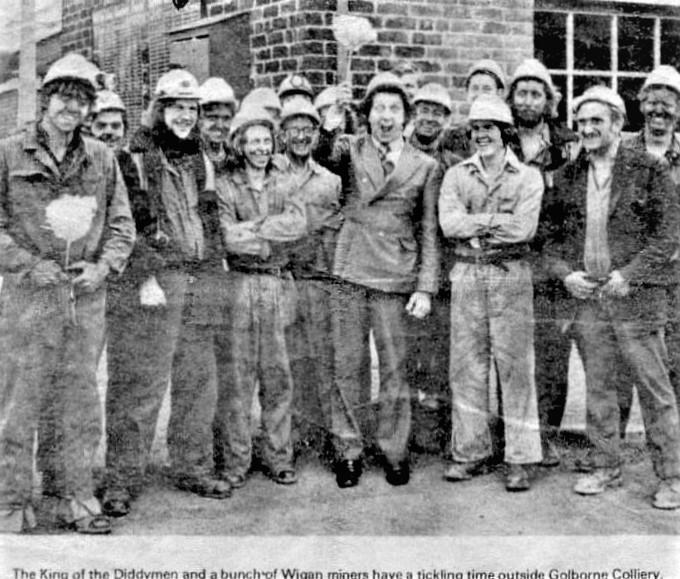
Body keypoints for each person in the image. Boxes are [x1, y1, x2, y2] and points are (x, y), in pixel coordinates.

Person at [0, 53, 135, 533]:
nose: (71, 107)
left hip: (83, 296)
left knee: (79, 400)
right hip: (28, 297)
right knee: (20, 400)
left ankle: (76, 497)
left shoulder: (102, 157)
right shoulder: (10, 153)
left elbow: (122, 225)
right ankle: (11, 502)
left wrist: (103, 267)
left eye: (81, 99)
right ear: (44, 101)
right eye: (63, 96)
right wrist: (28, 265)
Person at [541, 86, 680, 509]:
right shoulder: (566, 177)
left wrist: (630, 275)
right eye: (581, 122)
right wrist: (567, 277)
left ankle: (672, 477)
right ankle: (605, 465)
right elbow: (547, 243)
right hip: (590, 301)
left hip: (637, 300)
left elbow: (668, 235)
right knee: (600, 387)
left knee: (654, 389)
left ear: (618, 124)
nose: (587, 129)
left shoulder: (650, 169)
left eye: (596, 121)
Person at [103, 68, 231, 519]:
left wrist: (215, 274)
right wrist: (146, 277)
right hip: (158, 281)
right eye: (176, 107)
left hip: (199, 280)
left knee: (199, 380)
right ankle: (121, 479)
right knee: (142, 383)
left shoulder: (201, 158)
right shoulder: (134, 156)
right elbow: (126, 224)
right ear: (159, 109)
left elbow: (211, 223)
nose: (185, 116)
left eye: (191, 109)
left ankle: (192, 466)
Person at [319, 72, 440, 488]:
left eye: (394, 109)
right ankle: (348, 450)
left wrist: (425, 287)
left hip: (396, 275)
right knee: (347, 364)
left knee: (394, 368)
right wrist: (332, 122)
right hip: (352, 268)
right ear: (366, 115)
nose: (385, 117)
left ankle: (393, 450)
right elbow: (322, 156)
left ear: (405, 118)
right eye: (378, 109)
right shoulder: (350, 150)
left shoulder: (425, 165)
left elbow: (428, 229)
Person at [439, 94, 544, 491]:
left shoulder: (528, 176)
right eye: (476, 128)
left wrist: (475, 223)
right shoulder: (456, 176)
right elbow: (449, 224)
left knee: (515, 366)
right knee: (467, 366)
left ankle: (519, 458)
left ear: (505, 133)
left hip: (511, 274)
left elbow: (523, 230)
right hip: (467, 273)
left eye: (489, 128)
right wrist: (496, 221)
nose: (482, 135)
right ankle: (470, 452)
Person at [214, 105, 308, 488]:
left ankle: (279, 457)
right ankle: (236, 461)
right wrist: (268, 232)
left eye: (266, 141)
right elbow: (225, 235)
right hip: (239, 284)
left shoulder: (284, 181)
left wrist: (253, 228)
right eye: (253, 141)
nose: (260, 148)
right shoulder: (225, 183)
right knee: (237, 378)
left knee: (278, 375)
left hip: (275, 283)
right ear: (240, 144)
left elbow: (298, 225)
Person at [507, 58, 578, 467]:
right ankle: (513, 438)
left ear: (548, 99)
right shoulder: (501, 139)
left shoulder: (568, 143)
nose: (529, 100)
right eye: (522, 92)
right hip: (514, 260)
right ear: (512, 98)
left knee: (553, 355)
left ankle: (547, 436)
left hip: (555, 265)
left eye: (537, 93)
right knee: (515, 356)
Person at [277, 98, 342, 456]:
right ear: (282, 134)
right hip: (282, 278)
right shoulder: (269, 173)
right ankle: (289, 436)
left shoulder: (330, 181)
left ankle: (328, 434)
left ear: (318, 135)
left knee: (322, 357)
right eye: (294, 130)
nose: (301, 137)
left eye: (308, 130)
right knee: (286, 360)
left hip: (317, 280)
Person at [619, 65, 680, 433]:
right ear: (641, 106)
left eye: (668, 106)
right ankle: (614, 447)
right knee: (625, 363)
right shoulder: (624, 151)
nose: (659, 113)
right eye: (652, 104)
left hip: (675, 275)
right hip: (632, 274)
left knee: (675, 359)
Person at [406, 82, 456, 453]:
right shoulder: (397, 156)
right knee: (406, 353)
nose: (429, 117)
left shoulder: (452, 163)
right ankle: (406, 433)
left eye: (437, 111)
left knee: (443, 353)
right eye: (423, 108)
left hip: (445, 272)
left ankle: (439, 434)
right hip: (402, 267)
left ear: (448, 119)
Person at [438, 59, 506, 167]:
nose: (479, 95)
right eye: (474, 88)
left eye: (486, 89)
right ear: (467, 93)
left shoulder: (508, 137)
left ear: (499, 94)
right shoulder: (451, 139)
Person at [198, 77, 238, 175]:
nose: (220, 125)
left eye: (226, 118)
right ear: (199, 119)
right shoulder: (187, 160)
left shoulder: (235, 159)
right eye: (213, 117)